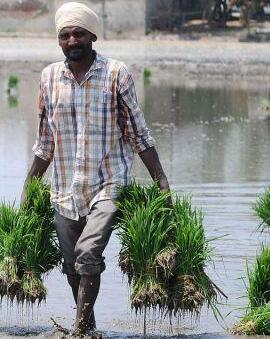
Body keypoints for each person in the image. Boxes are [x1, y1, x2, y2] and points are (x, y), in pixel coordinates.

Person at [20, 2, 170, 336]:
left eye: (78, 34)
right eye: (65, 35)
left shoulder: (116, 74)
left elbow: (138, 134)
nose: (72, 40)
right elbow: (45, 144)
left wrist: (162, 184)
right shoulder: (48, 78)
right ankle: (87, 328)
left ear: (92, 36)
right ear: (59, 40)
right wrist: (27, 189)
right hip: (64, 190)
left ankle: (77, 330)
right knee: (73, 266)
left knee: (88, 255)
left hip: (108, 184)